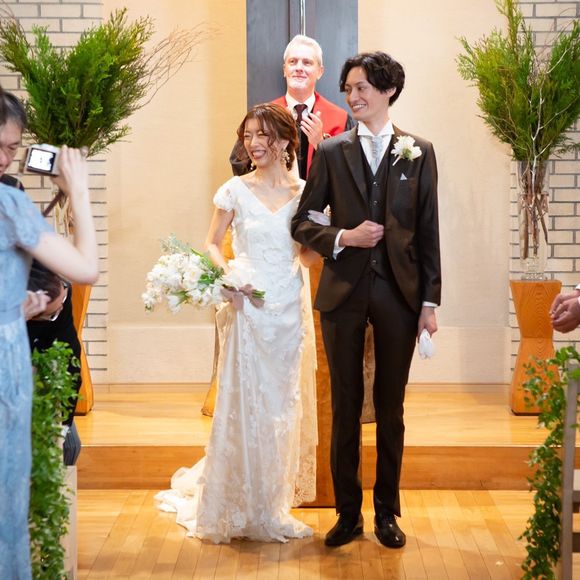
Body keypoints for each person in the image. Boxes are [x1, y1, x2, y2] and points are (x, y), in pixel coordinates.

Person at [291, 51, 441, 549]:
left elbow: (428, 231)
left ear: (388, 90)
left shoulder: (419, 151)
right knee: (345, 404)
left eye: (362, 88)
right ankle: (347, 513)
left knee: (391, 408)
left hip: (400, 293)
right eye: (349, 89)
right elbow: (302, 222)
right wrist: (344, 237)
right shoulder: (332, 152)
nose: (352, 97)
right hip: (343, 292)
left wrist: (429, 303)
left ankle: (387, 514)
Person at [156, 103, 318, 543]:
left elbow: (306, 256)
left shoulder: (305, 193)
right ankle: (236, 501)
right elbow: (212, 243)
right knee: (246, 402)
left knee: (281, 407)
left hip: (287, 308)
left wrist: (326, 233)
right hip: (247, 306)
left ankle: (271, 504)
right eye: (248, 136)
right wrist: (228, 275)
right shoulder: (234, 190)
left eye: (262, 135)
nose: (253, 143)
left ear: (284, 140)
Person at [0, 88, 98, 578]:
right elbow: (85, 269)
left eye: (11, 149)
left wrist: (14, 305)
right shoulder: (8, 202)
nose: (4, 160)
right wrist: (78, 190)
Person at [231, 34, 355, 178]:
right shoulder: (263, 117)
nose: (299, 68)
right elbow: (240, 163)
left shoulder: (340, 119)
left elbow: (350, 172)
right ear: (285, 69)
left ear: (320, 72)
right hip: (275, 192)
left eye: (307, 63)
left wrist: (321, 145)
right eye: (293, 62)